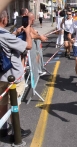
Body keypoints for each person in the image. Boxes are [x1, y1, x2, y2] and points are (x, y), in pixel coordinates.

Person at [0, 10, 32, 139]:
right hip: (12, 74)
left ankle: (3, 128)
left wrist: (15, 34)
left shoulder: (5, 34)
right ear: (4, 20)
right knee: (14, 104)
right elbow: (28, 46)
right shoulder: (5, 35)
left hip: (1, 75)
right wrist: (28, 32)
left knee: (2, 104)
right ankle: (16, 133)